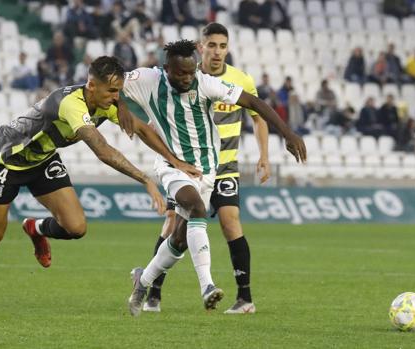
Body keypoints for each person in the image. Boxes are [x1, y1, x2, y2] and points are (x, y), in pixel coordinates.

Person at [0, 56, 201, 318]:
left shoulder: (105, 103)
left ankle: (35, 228)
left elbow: (142, 130)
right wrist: (146, 179)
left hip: (43, 160)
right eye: (112, 91)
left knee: (76, 227)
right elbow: (102, 150)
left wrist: (176, 162)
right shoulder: (72, 104)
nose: (116, 97)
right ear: (91, 85)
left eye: (119, 91)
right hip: (8, 161)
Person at [124, 39, 306, 316]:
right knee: (196, 208)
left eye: (190, 72)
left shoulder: (206, 83)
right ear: (166, 69)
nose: (186, 79)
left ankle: (143, 280)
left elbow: (253, 101)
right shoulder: (147, 79)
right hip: (171, 166)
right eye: (179, 73)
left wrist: (288, 133)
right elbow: (108, 84)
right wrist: (117, 108)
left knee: (179, 241)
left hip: (207, 169)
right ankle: (207, 286)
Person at [142, 23, 271, 315]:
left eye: (223, 46)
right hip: (190, 168)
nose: (217, 51)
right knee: (174, 225)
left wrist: (264, 155)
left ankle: (245, 298)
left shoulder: (240, 80)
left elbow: (258, 116)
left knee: (230, 222)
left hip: (225, 166)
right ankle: (153, 294)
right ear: (201, 47)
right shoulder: (187, 77)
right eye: (211, 45)